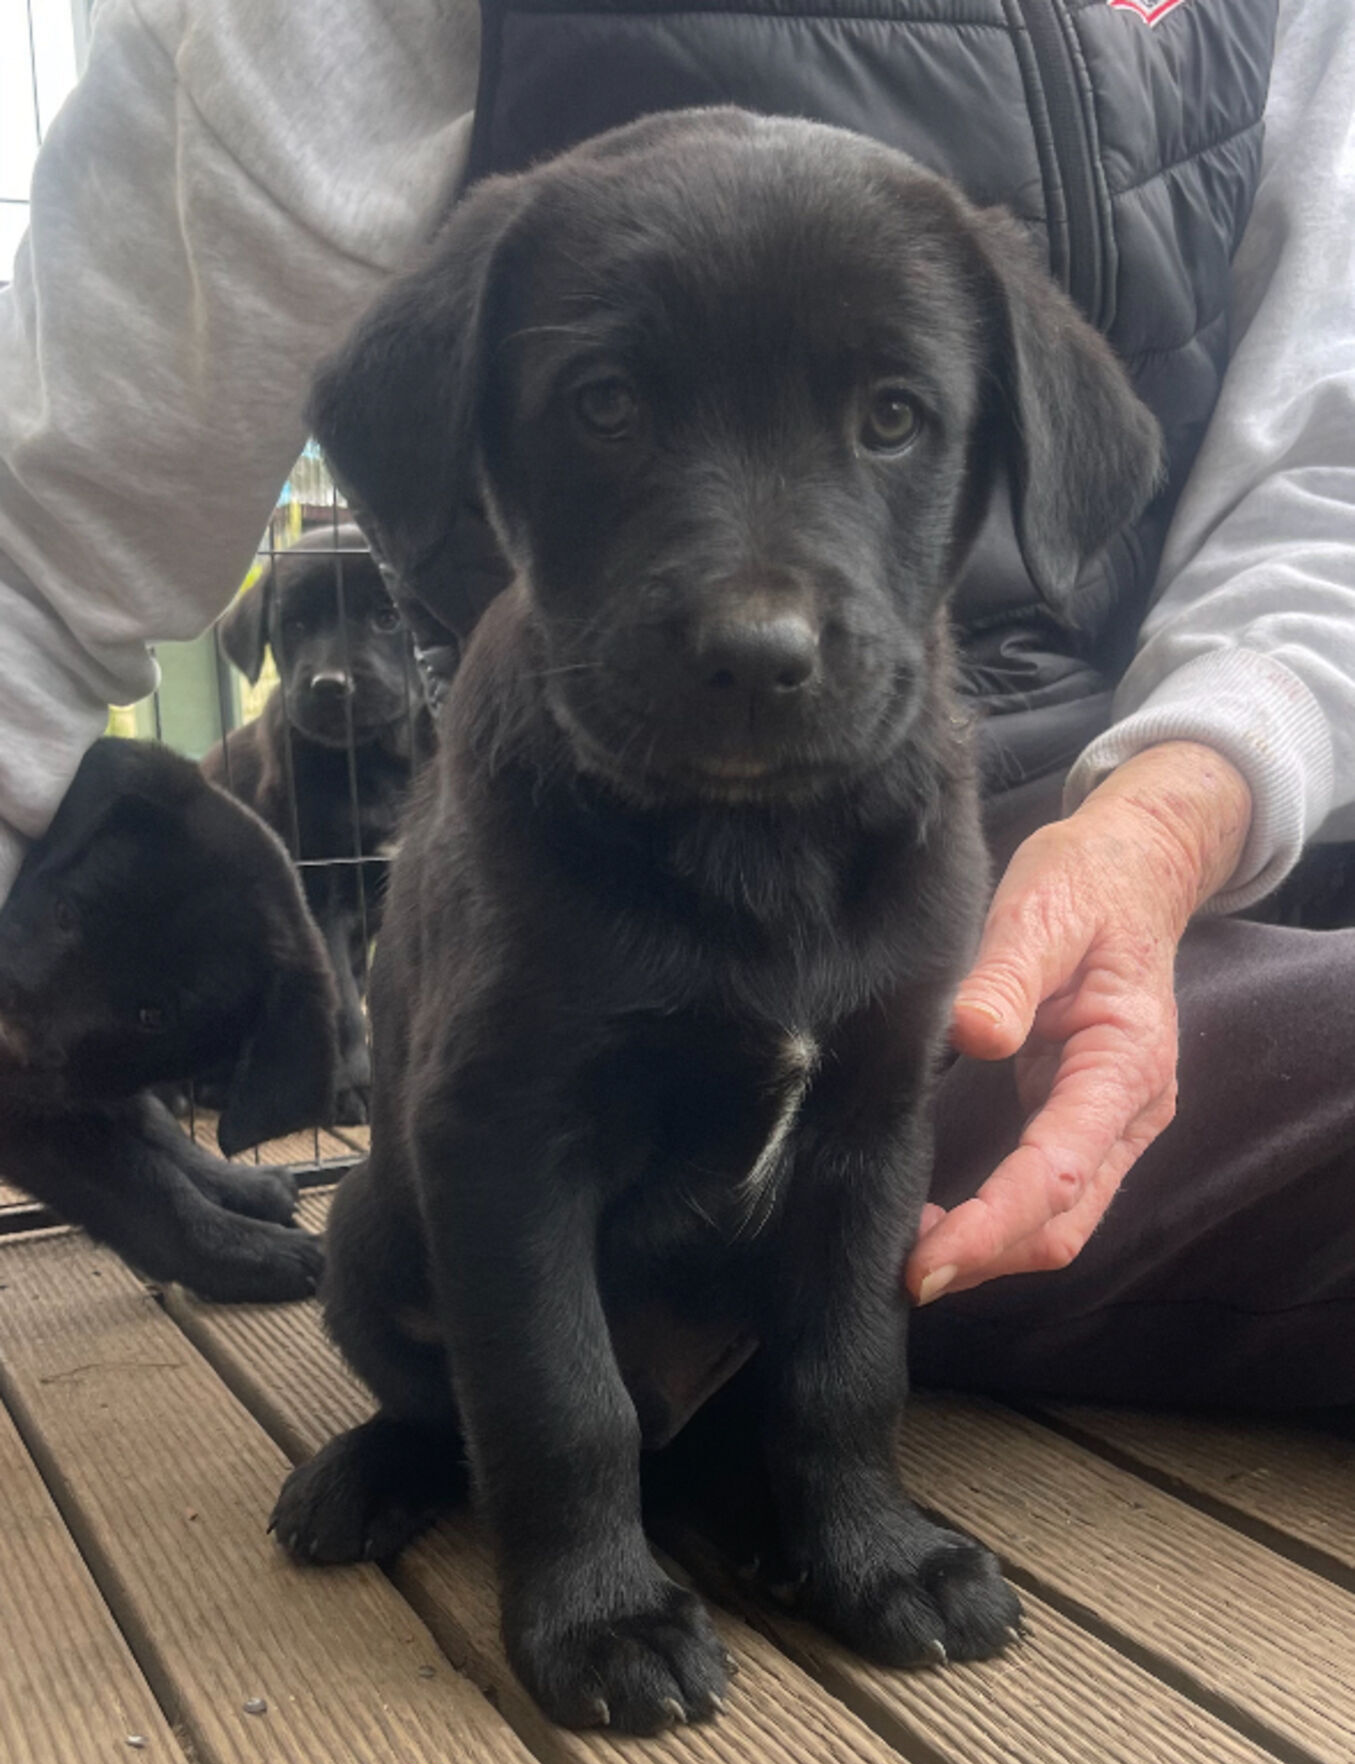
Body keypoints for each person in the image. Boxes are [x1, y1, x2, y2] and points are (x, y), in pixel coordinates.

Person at [2, 0, 1353, 1407]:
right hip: (591, 814)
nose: (758, 616)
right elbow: (36, 544)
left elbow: (1331, 463)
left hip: (1066, 860)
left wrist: (1173, 816)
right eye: (605, 404)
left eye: (889, 418)